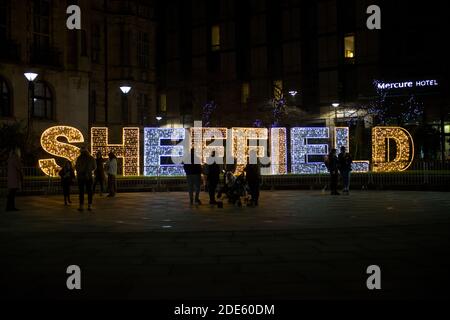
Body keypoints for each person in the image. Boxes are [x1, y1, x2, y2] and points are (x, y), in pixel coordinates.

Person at [75, 147, 97, 211]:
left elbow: (77, 167)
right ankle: (89, 205)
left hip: (81, 177)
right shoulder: (91, 158)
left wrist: (80, 171)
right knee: (89, 191)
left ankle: (81, 205)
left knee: (81, 192)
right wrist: (89, 171)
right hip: (89, 176)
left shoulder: (79, 158)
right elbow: (94, 167)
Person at [5, 147, 23, 212]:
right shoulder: (15, 158)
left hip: (11, 177)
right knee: (12, 194)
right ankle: (10, 207)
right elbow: (19, 167)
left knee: (11, 193)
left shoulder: (10, 158)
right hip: (14, 177)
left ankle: (9, 207)